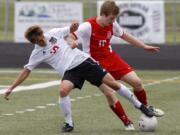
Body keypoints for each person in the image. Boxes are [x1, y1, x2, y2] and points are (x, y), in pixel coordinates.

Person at [4, 23, 154, 133]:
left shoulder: (54, 33)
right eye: (38, 40)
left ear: (42, 33)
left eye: (42, 37)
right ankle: (69, 123)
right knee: (63, 91)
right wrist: (11, 88)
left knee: (113, 86)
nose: (42, 40)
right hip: (70, 71)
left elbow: (70, 30)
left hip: (83, 62)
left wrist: (73, 30)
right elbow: (26, 70)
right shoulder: (37, 53)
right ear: (34, 42)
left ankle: (140, 106)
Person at [70, 0, 164, 118]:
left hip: (111, 58)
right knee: (110, 93)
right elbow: (70, 35)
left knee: (137, 83)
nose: (113, 21)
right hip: (95, 64)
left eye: (114, 18)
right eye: (111, 18)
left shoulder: (112, 24)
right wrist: (72, 41)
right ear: (103, 14)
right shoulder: (87, 26)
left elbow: (125, 36)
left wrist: (144, 46)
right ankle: (127, 122)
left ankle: (145, 108)